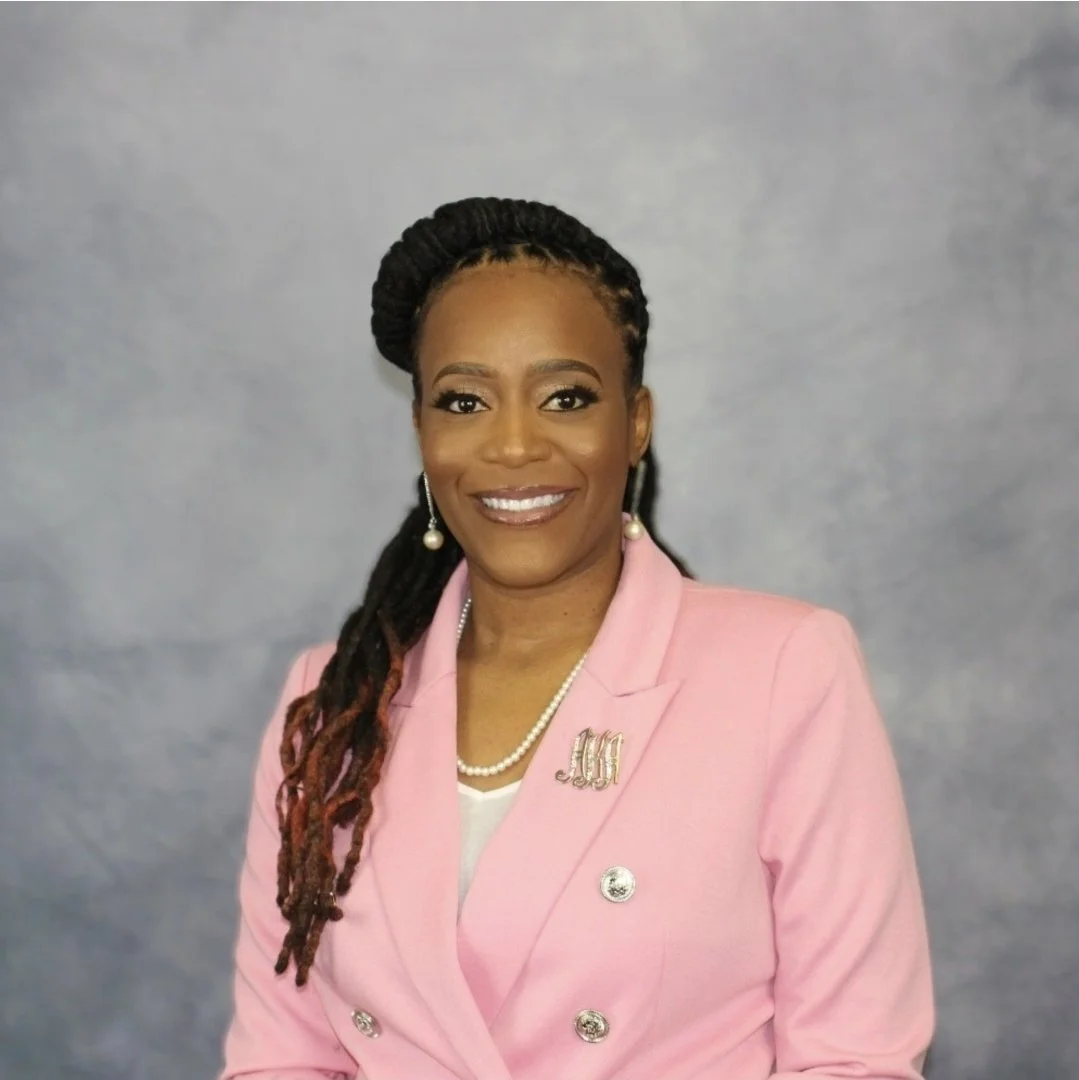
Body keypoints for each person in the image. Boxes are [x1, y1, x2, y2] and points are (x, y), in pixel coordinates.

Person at [218, 197, 934, 1080]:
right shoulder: (332, 703)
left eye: (565, 397)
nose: (513, 446)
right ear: (422, 433)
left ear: (634, 423)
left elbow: (855, 1059)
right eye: (464, 401)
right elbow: (280, 1058)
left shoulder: (786, 668)